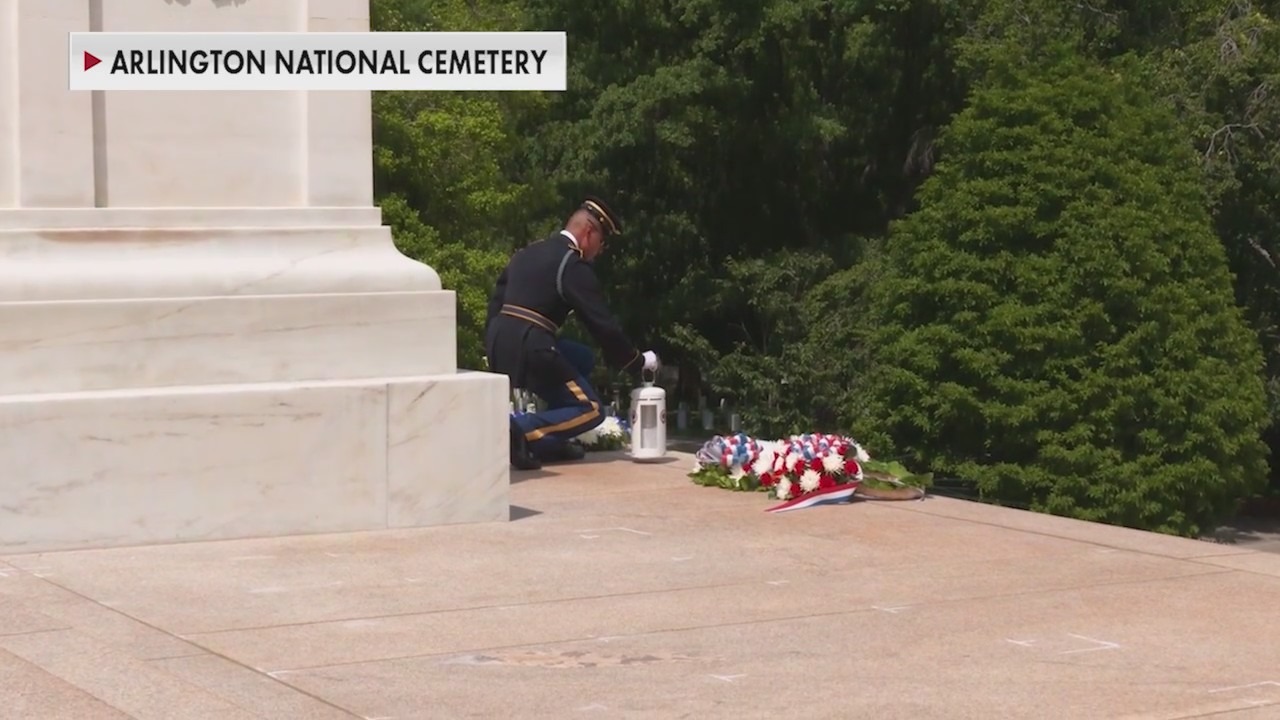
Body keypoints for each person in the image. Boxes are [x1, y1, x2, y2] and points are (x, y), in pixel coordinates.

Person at [485, 195, 659, 469]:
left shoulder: (528, 251)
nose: (599, 252)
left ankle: (547, 443)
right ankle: (519, 431)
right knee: (591, 409)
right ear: (589, 232)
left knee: (582, 358)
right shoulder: (571, 263)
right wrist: (636, 360)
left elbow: (496, 300)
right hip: (532, 344)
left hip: (499, 340)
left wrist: (492, 342)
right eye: (601, 243)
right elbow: (601, 324)